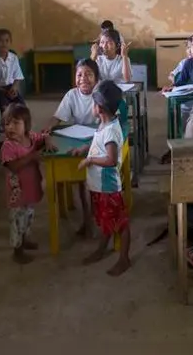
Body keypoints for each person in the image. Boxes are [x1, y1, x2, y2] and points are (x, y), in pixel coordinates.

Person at [72, 80, 131, 276]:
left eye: (93, 102)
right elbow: (98, 141)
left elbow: (111, 159)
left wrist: (90, 160)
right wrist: (85, 147)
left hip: (108, 187)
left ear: (99, 108)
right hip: (99, 186)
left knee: (120, 223)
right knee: (106, 220)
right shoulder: (104, 123)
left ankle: (124, 259)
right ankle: (101, 249)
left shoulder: (111, 131)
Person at [41, 58, 99, 237]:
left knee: (87, 178)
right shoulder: (72, 95)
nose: (83, 79)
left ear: (97, 78)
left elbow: (110, 125)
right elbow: (58, 116)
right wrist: (48, 128)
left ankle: (90, 218)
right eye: (79, 74)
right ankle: (78, 214)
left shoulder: (101, 93)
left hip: (100, 141)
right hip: (79, 139)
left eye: (89, 74)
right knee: (69, 166)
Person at [0, 104, 54, 264]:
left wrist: (48, 141)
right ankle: (17, 250)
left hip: (30, 187)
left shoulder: (30, 137)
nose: (11, 127)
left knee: (28, 216)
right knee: (17, 220)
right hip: (17, 193)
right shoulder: (7, 146)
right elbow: (13, 166)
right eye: (7, 123)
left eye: (16, 123)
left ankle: (25, 239)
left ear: (26, 125)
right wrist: (32, 156)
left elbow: (44, 136)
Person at [0, 28, 24, 108]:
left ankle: (20, 120)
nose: (4, 43)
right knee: (5, 105)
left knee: (21, 106)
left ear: (10, 42)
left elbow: (18, 76)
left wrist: (14, 88)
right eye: (0, 41)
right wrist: (4, 91)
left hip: (11, 88)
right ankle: (6, 120)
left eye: (7, 41)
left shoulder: (14, 57)